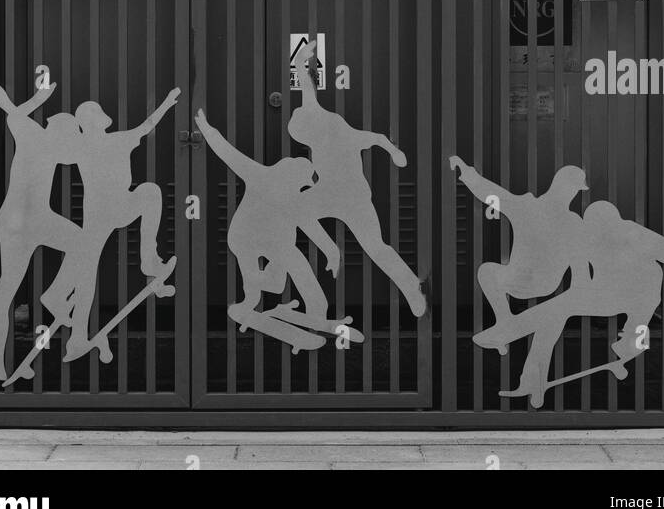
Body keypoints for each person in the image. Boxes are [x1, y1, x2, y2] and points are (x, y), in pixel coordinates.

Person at [475, 194, 664, 408]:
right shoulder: (587, 237)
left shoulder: (635, 235)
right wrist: (571, 298)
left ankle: (631, 341)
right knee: (557, 309)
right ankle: (532, 376)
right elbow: (580, 282)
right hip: (608, 293)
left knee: (638, 296)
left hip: (640, 295)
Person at [290, 40, 426, 317]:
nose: (307, 141)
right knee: (296, 208)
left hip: (353, 197)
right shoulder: (315, 116)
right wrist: (303, 58)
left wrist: (395, 152)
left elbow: (376, 138)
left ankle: (412, 287)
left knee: (375, 247)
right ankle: (330, 251)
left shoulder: (333, 128)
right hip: (329, 192)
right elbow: (306, 86)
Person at [59, 89, 179, 362]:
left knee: (86, 277)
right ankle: (149, 261)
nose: (104, 114)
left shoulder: (85, 146)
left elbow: (146, 126)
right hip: (114, 209)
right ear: (93, 121)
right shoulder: (116, 141)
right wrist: (166, 102)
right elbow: (147, 126)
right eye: (97, 112)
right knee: (150, 192)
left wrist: (166, 102)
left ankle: (77, 336)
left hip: (100, 214)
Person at [195, 107, 341, 329]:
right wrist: (206, 130)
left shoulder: (294, 197)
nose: (301, 189)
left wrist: (331, 251)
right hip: (246, 239)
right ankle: (249, 302)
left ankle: (317, 311)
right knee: (255, 293)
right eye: (301, 183)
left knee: (278, 283)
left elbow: (311, 227)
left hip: (274, 241)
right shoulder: (260, 175)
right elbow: (228, 153)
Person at [0, 78, 82, 382]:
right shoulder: (32, 134)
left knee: (80, 242)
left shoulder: (50, 143)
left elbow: (12, 113)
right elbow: (13, 115)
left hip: (40, 217)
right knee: (9, 283)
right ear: (59, 131)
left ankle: (55, 295)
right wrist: (39, 98)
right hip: (16, 219)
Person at [450, 156, 588, 343]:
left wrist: (467, 173)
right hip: (545, 282)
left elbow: (494, 195)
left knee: (488, 272)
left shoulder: (527, 205)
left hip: (519, 279)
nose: (573, 195)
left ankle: (505, 321)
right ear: (567, 190)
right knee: (489, 271)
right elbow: (579, 264)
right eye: (574, 190)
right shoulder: (572, 222)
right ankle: (506, 323)